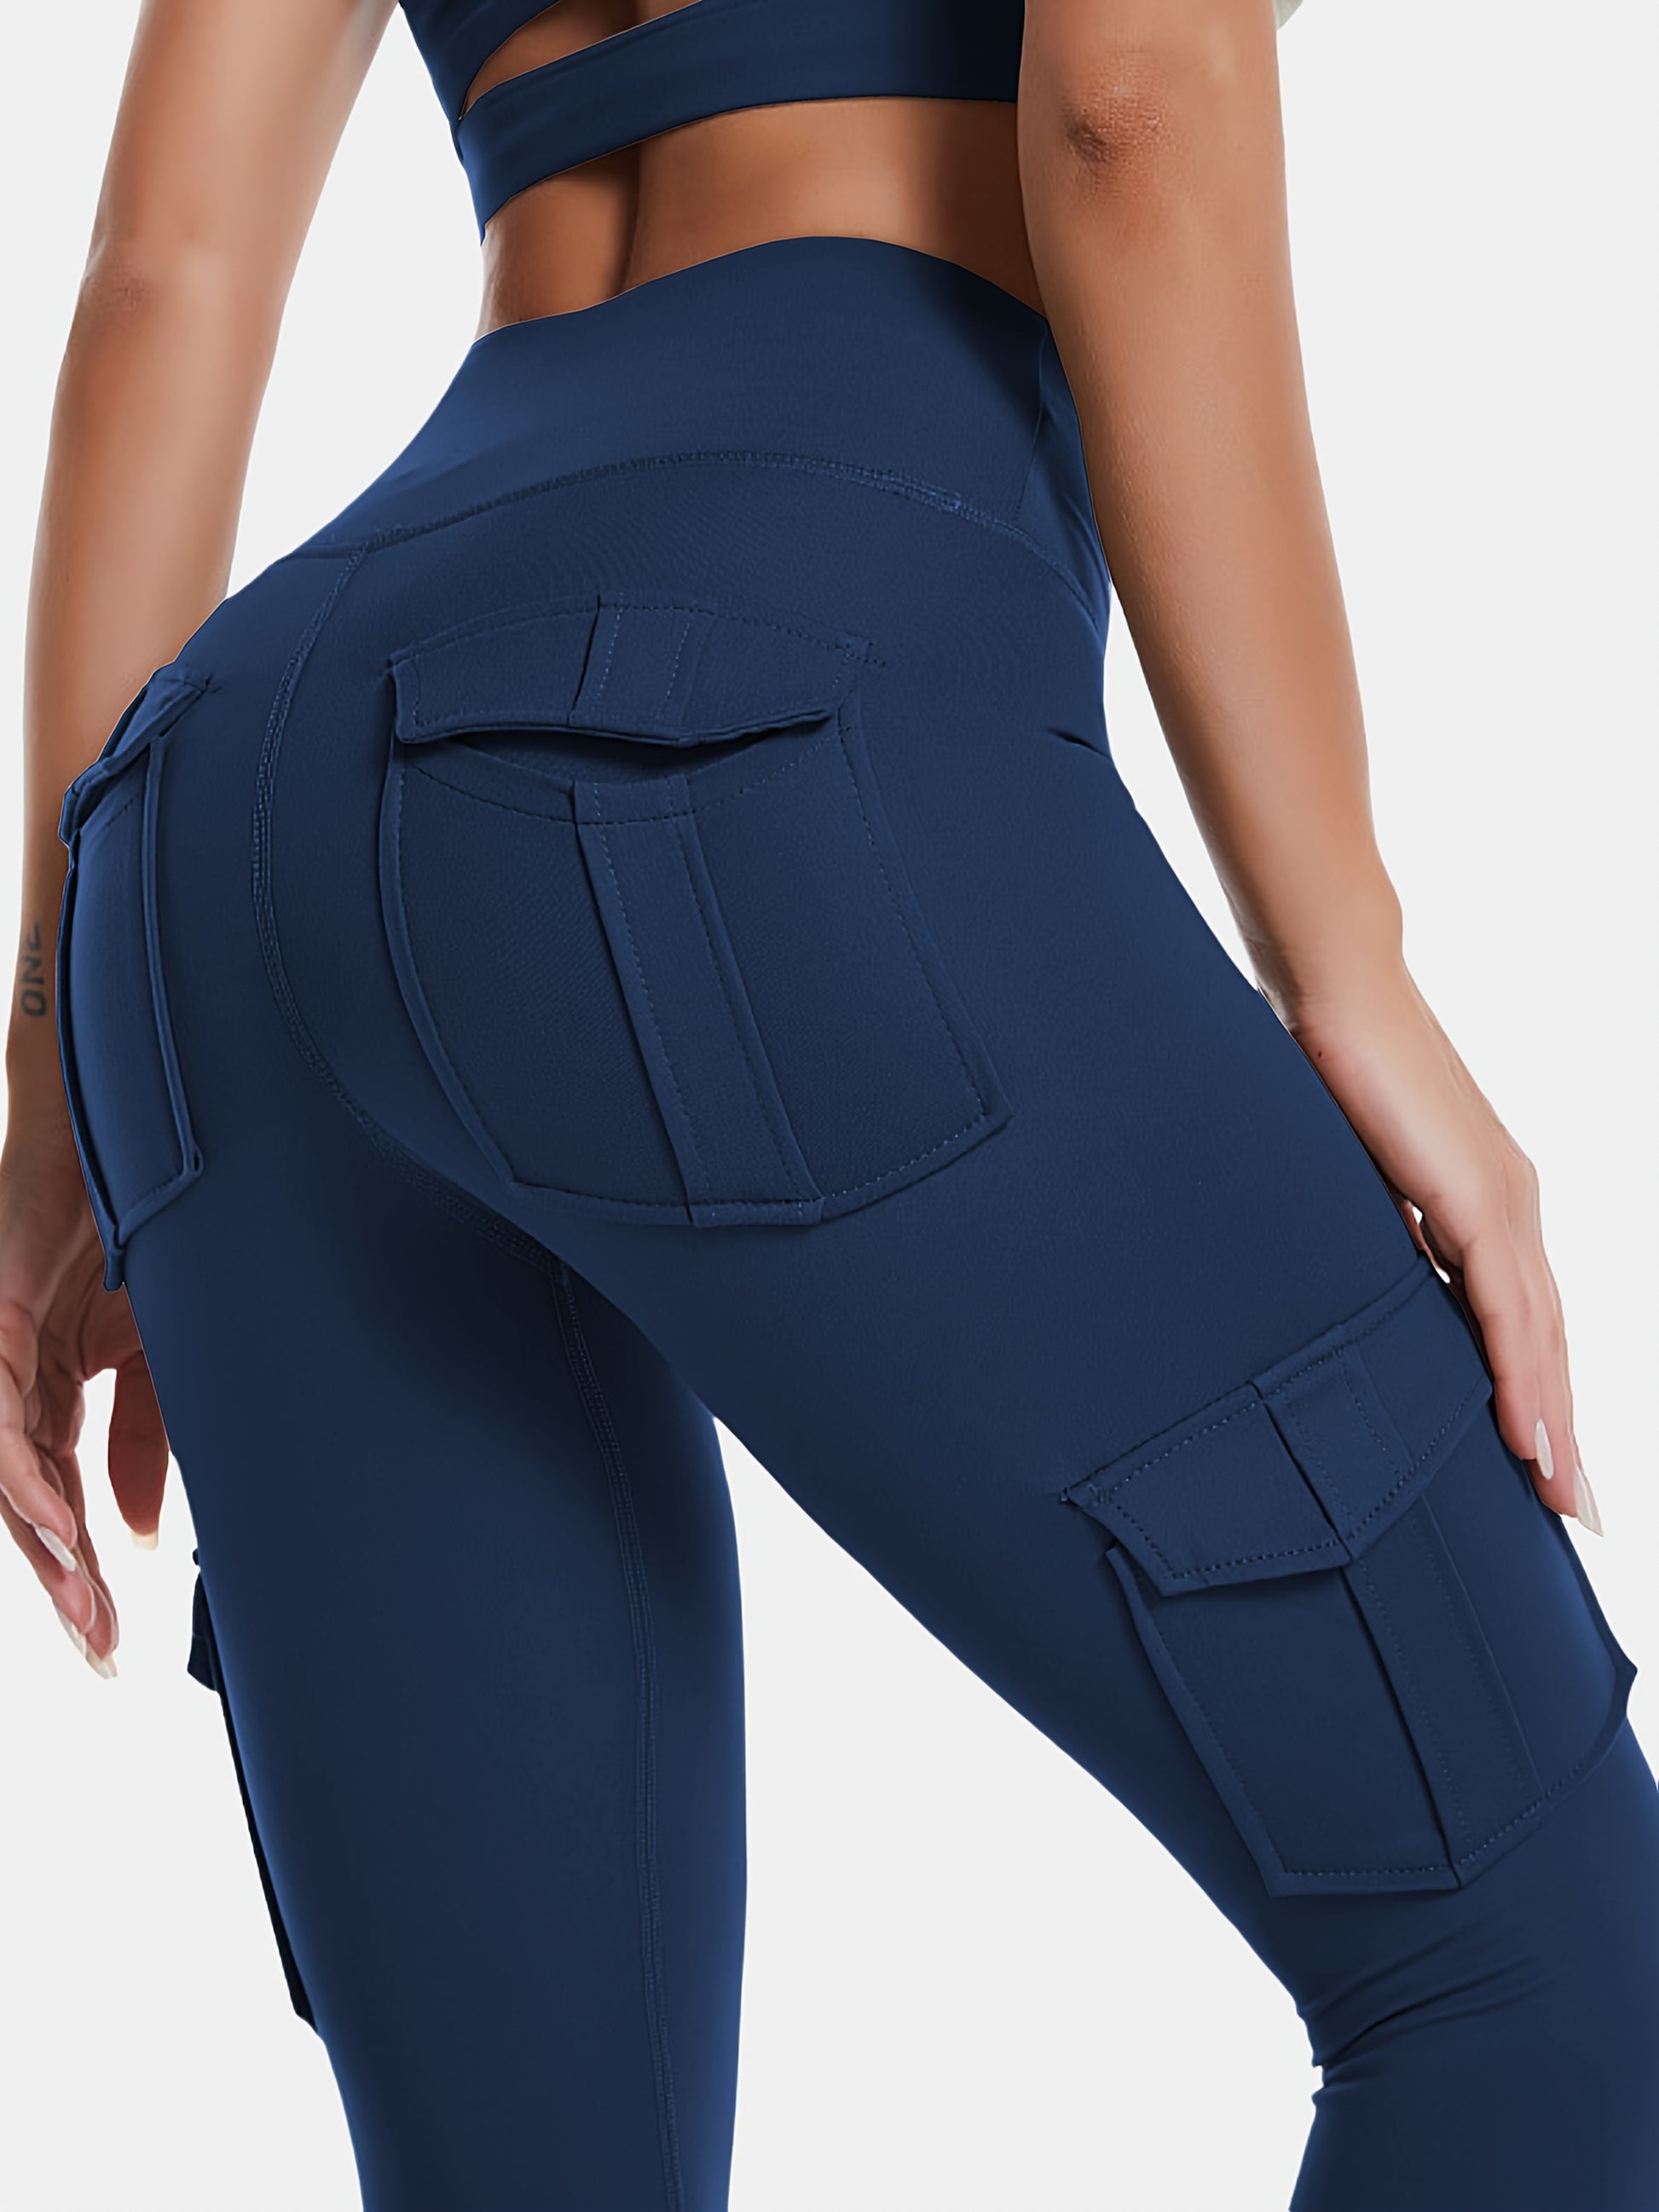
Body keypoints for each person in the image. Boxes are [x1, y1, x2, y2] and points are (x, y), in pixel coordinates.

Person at [3, 1, 1655, 2205]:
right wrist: (1340, 953)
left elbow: (162, 270)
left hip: (208, 839)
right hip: (743, 699)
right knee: (1552, 1982)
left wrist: (62, 1078)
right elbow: (1130, 94)